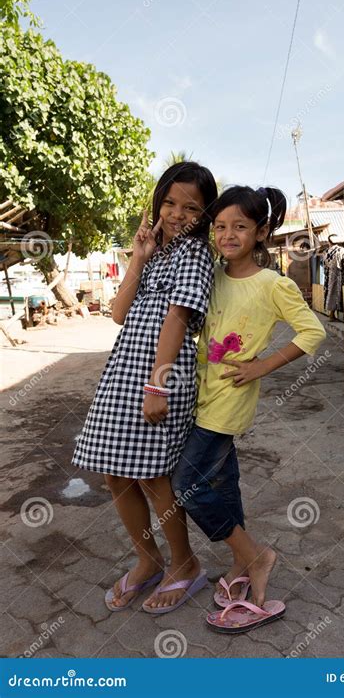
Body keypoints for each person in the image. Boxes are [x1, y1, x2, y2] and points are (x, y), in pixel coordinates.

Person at [143, 185, 326, 631]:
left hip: (227, 403)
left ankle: (255, 556)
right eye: (220, 226)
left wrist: (262, 365)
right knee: (223, 482)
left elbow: (312, 332)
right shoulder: (211, 275)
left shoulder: (273, 284)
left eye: (240, 227)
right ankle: (243, 568)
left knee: (187, 484)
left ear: (260, 232)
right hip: (198, 397)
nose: (228, 235)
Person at [72, 161, 217, 612]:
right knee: (116, 470)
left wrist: (158, 386)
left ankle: (185, 564)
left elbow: (177, 318)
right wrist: (138, 255)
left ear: (204, 214)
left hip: (160, 376)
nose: (177, 214)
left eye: (190, 208)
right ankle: (148, 559)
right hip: (123, 373)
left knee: (154, 476)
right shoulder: (155, 253)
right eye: (169, 202)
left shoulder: (195, 255)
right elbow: (117, 313)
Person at [322, 234, 344, 320]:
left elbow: (324, 264)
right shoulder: (341, 250)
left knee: (329, 292)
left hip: (327, 274)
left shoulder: (325, 252)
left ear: (329, 242)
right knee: (335, 293)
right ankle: (332, 314)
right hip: (337, 274)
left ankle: (331, 314)